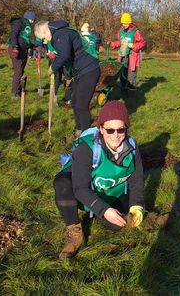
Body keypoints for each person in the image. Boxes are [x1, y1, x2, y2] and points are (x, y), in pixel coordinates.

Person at [53, 100, 145, 258]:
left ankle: (145, 218)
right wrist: (104, 209)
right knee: (62, 184)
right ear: (101, 129)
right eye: (110, 130)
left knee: (116, 226)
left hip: (108, 191)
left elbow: (136, 179)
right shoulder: (86, 149)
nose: (116, 136)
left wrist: (137, 206)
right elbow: (80, 188)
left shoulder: (132, 147)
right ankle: (75, 235)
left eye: (121, 130)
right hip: (81, 190)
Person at [34, 20, 100, 136]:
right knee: (74, 101)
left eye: (42, 37)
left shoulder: (61, 33)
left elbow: (64, 55)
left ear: (45, 31)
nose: (43, 41)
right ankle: (79, 128)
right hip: (80, 71)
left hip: (89, 70)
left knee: (82, 105)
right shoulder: (59, 34)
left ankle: (86, 136)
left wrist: (53, 67)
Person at [111, 12, 146, 91]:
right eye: (123, 23)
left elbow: (142, 43)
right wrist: (113, 44)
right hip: (123, 55)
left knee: (131, 75)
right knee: (122, 73)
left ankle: (132, 93)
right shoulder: (121, 31)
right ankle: (123, 90)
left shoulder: (135, 31)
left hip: (132, 56)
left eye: (126, 23)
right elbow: (121, 42)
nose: (124, 25)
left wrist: (134, 46)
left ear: (130, 22)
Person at [7, 11, 36, 99]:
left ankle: (21, 90)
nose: (33, 21)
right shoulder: (19, 23)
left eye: (33, 20)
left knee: (21, 71)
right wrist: (15, 47)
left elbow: (25, 39)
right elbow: (14, 35)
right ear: (27, 18)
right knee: (18, 71)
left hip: (23, 49)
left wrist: (32, 46)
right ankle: (15, 93)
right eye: (31, 19)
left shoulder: (28, 25)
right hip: (16, 49)